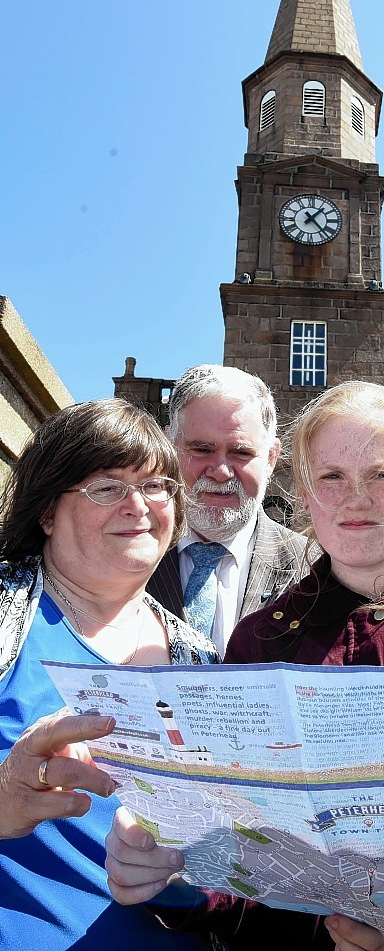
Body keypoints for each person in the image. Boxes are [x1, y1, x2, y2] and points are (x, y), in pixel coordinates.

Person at [105, 380, 384, 950]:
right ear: (304, 491)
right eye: (332, 477)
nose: (357, 498)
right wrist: (173, 872)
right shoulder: (258, 643)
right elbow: (240, 859)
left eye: (382, 474)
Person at [0, 398, 219, 950]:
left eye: (156, 486)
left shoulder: (204, 659)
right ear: (48, 511)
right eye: (107, 486)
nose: (139, 506)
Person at [147, 364, 308, 657]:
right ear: (169, 445)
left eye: (241, 453)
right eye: (201, 449)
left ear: (271, 458)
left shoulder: (314, 570)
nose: (220, 471)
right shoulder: (123, 552)